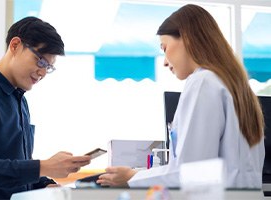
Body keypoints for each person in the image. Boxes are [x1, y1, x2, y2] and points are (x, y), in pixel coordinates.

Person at [97, 4, 265, 188]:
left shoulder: (203, 82)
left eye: (165, 48)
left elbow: (190, 172)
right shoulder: (237, 87)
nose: (164, 62)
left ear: (186, 38)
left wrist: (132, 177)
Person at [0, 16, 91, 199]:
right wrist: (44, 166)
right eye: (40, 61)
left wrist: (46, 184)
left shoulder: (19, 100)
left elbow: (16, 167)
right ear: (15, 45)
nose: (42, 73)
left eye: (49, 67)